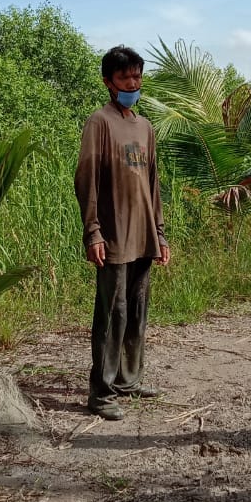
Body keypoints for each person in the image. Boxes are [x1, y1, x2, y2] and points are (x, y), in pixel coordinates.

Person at [74, 45, 171, 420]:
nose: (133, 82)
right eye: (125, 77)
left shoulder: (145, 127)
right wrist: (93, 232)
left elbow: (153, 184)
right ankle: (101, 391)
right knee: (112, 314)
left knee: (137, 311)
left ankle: (129, 380)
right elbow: (86, 179)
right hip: (113, 237)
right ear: (108, 82)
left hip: (143, 235)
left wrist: (159, 234)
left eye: (137, 76)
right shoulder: (99, 122)